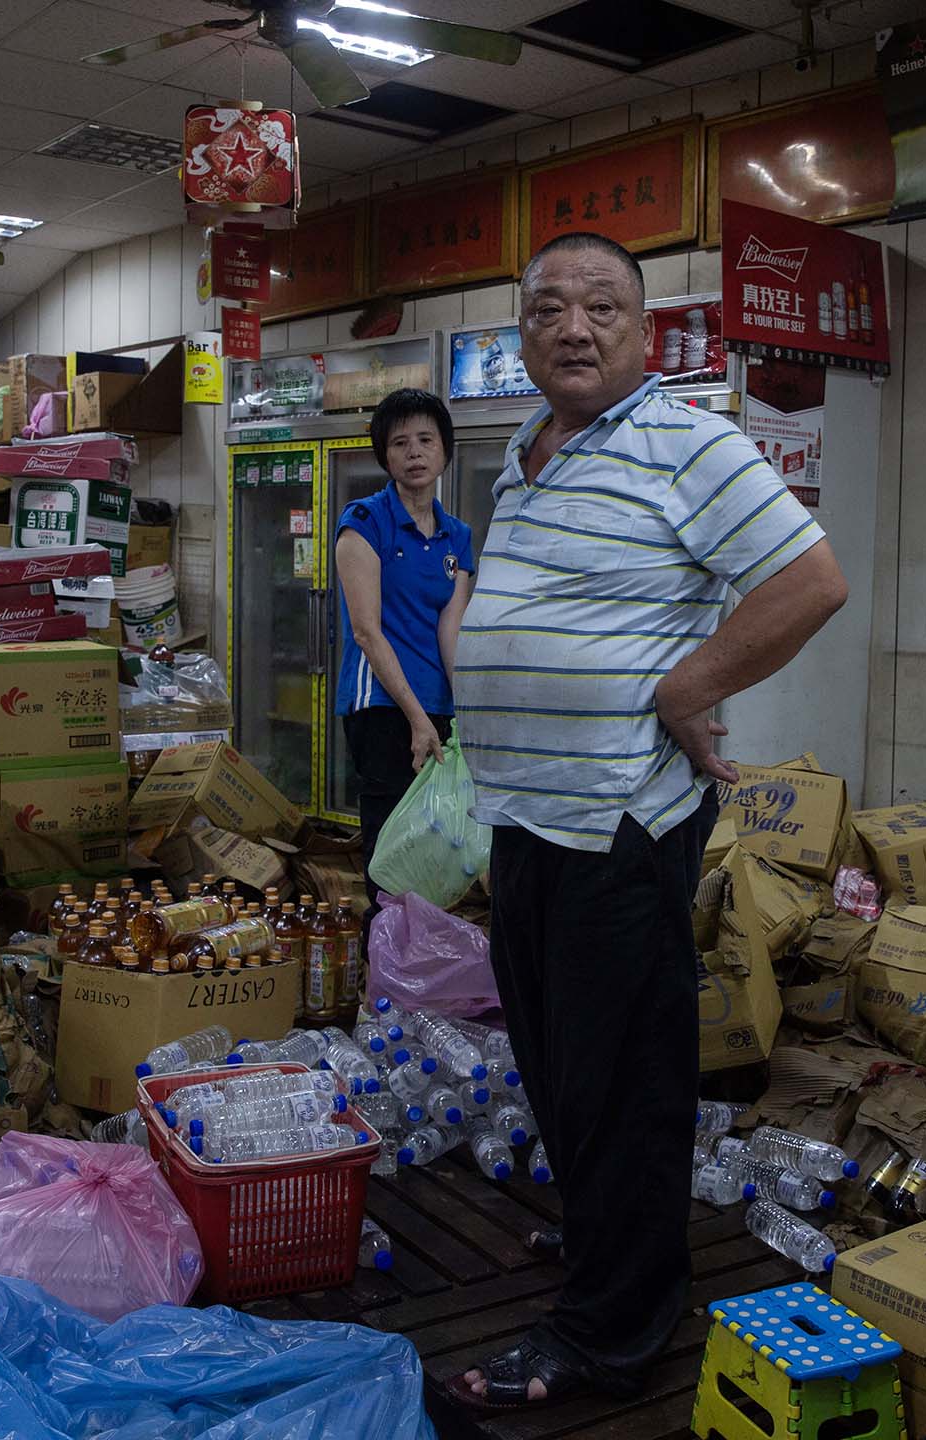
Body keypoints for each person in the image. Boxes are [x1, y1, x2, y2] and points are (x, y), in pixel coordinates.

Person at [454, 234, 848, 1410]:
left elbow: (809, 581)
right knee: (560, 1065)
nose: (574, 327)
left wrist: (688, 685)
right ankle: (609, 1244)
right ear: (523, 331)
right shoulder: (527, 455)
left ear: (644, 331)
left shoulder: (689, 438)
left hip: (620, 818)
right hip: (528, 814)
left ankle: (612, 1333)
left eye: (603, 308)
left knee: (623, 1082)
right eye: (549, 308)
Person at [333, 387, 476, 914]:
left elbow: (451, 629)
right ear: (384, 456)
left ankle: (429, 973)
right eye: (400, 443)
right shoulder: (364, 522)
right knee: (392, 847)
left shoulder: (457, 536)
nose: (414, 452)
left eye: (425, 440)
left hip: (437, 709)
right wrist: (416, 718)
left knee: (438, 845)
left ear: (444, 450)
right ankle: (388, 984)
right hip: (384, 708)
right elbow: (367, 632)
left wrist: (464, 714)